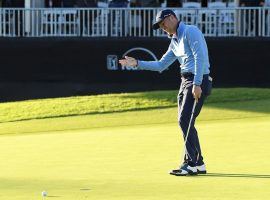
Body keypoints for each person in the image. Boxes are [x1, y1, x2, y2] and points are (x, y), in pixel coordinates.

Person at [119, 9, 212, 176]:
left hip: (198, 80)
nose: (163, 27)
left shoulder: (191, 31)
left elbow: (200, 58)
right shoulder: (174, 41)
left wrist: (197, 84)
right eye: (160, 25)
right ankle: (197, 163)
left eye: (163, 23)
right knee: (186, 121)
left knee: (185, 120)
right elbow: (161, 65)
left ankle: (193, 163)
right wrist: (137, 63)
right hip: (185, 82)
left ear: (172, 17)